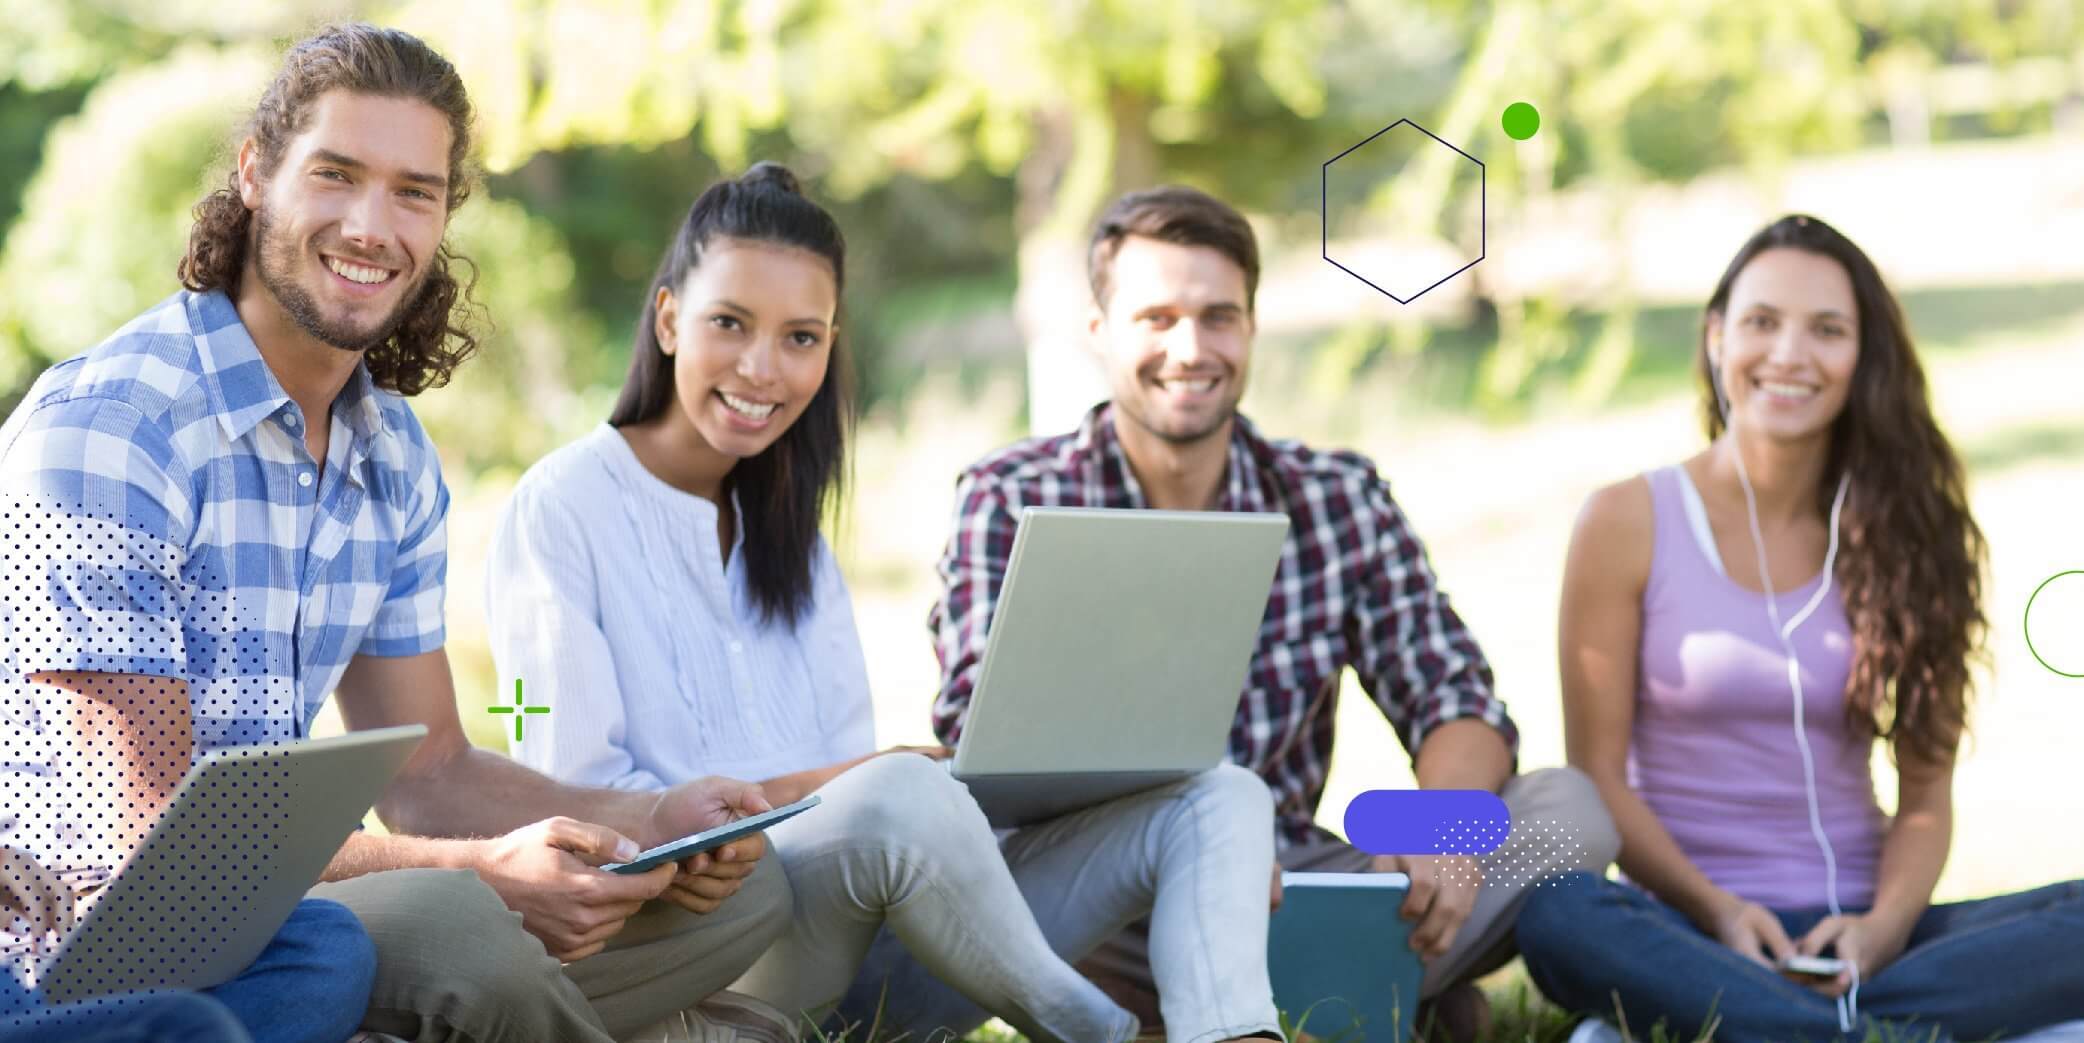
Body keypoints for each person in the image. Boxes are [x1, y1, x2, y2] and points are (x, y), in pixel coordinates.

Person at [0, 24, 796, 1043]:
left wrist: (649, 820)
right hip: (84, 950)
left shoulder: (391, 452)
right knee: (425, 931)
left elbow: (429, 775)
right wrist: (479, 871)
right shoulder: (110, 432)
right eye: (336, 175)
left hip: (279, 922)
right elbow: (157, 849)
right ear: (255, 173)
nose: (372, 226)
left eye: (414, 191)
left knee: (738, 891)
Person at [487, 162, 1287, 1042]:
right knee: (898, 788)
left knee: (1220, 793)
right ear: (670, 317)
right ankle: (1104, 1032)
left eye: (801, 337)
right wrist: (868, 782)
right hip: (698, 959)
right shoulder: (561, 507)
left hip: (853, 954)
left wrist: (908, 782)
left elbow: (853, 802)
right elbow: (577, 798)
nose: (763, 367)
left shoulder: (795, 535)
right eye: (729, 323)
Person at [920, 185, 1620, 1041]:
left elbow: (1455, 698)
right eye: (1157, 318)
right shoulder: (1013, 496)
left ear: (1250, 328)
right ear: (1100, 332)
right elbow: (972, 735)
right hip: (1105, 902)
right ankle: (1361, 1000)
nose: (1190, 347)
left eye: (1218, 316)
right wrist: (1192, 839)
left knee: (1570, 814)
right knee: (981, 891)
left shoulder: (1334, 496)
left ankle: (1290, 994)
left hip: (1297, 884)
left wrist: (1440, 832)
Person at [1516, 214, 2084, 1042]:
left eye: (1827, 329)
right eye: (1761, 322)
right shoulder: (1626, 518)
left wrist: (1882, 929)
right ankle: (1859, 1032)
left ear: (1864, 359)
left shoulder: (1909, 533)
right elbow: (1598, 776)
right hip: (1690, 936)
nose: (1790, 353)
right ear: (1716, 338)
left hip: (1871, 939)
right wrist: (1717, 911)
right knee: (1559, 910)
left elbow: (1925, 797)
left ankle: (1811, 1027)